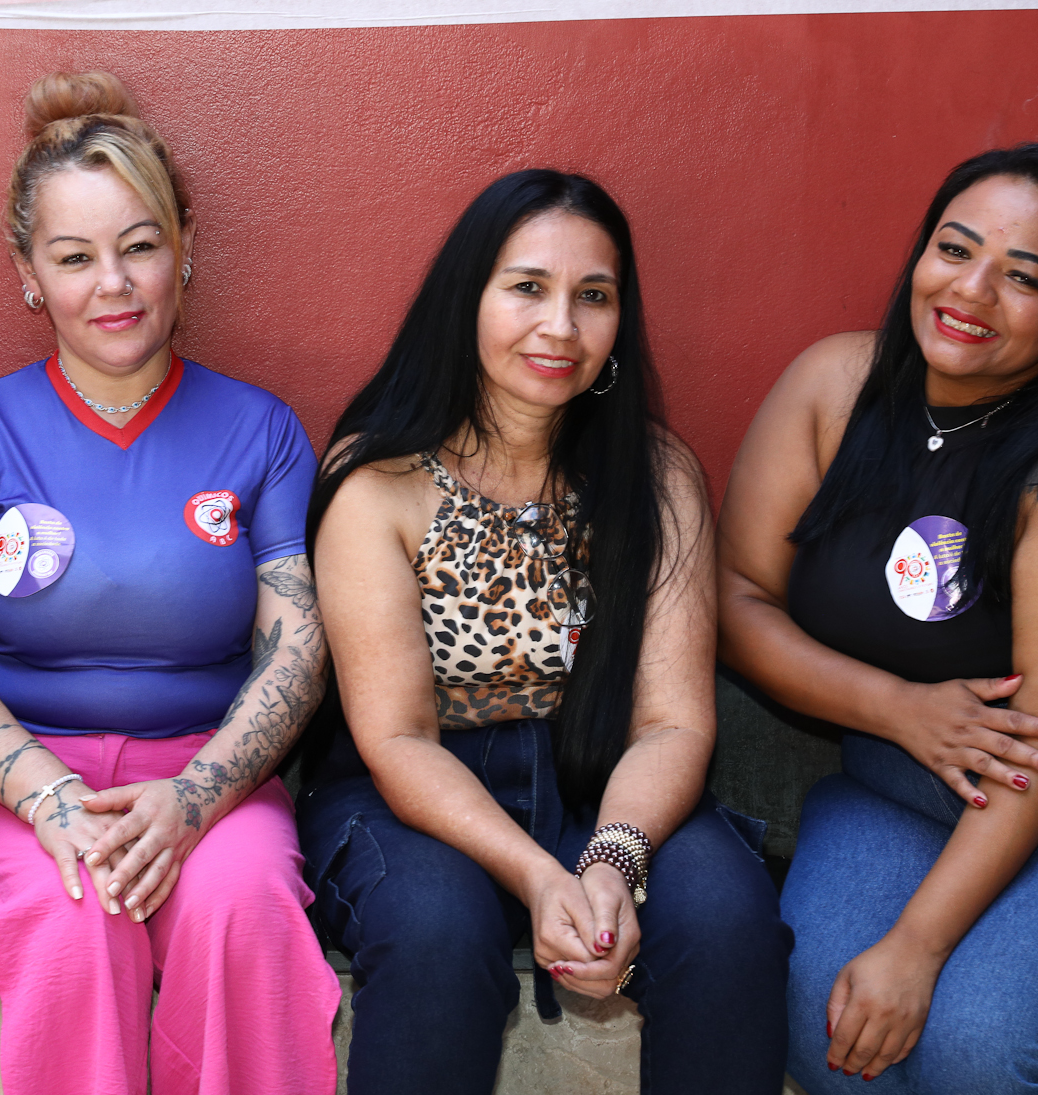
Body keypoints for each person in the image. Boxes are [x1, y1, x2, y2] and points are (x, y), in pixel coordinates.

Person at [0, 71, 340, 1095]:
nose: (115, 283)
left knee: (243, 905)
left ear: (186, 249)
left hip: (210, 775)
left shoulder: (261, 431)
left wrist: (190, 800)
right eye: (74, 257)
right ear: (26, 274)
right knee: (68, 910)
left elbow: (297, 649)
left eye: (140, 246)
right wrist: (48, 799)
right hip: (6, 777)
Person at [297, 168, 791, 1095]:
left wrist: (609, 857)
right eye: (526, 287)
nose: (559, 326)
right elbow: (396, 735)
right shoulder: (378, 479)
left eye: (592, 296)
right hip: (411, 791)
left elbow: (675, 721)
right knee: (438, 935)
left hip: (605, 778)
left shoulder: (656, 475)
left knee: (727, 920)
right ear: (466, 300)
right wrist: (536, 873)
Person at [718, 142, 1038, 1091]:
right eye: (953, 249)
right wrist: (895, 707)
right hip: (891, 785)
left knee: (983, 1045)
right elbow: (735, 598)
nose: (971, 290)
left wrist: (919, 947)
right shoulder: (831, 390)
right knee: (821, 1020)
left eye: (1024, 277)